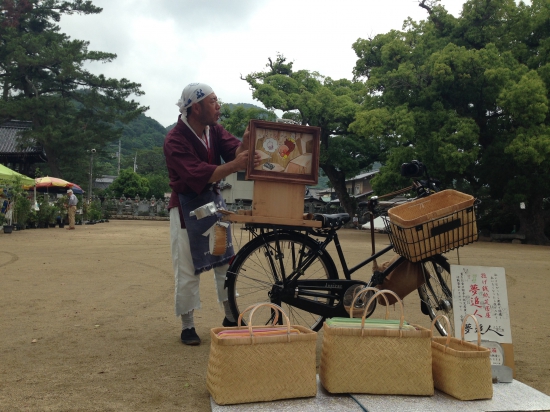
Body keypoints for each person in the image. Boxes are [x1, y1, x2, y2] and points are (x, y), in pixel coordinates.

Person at [164, 82, 261, 346]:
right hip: (186, 207)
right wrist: (234, 165)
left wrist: (248, 143)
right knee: (186, 268)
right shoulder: (175, 139)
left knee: (225, 262)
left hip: (213, 204)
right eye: (213, 101)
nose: (218, 106)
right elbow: (197, 173)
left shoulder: (213, 130)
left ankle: (231, 316)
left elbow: (236, 152)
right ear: (195, 108)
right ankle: (187, 325)